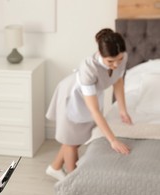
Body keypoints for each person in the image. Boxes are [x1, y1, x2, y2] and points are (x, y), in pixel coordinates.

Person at [45, 28, 132, 181]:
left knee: (75, 139)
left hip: (91, 96)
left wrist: (122, 110)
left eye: (118, 59)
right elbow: (94, 110)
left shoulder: (122, 57)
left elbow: (118, 80)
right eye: (110, 61)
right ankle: (72, 181)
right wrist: (112, 140)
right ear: (100, 54)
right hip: (72, 97)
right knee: (72, 142)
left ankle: (55, 167)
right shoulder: (89, 68)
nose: (116, 64)